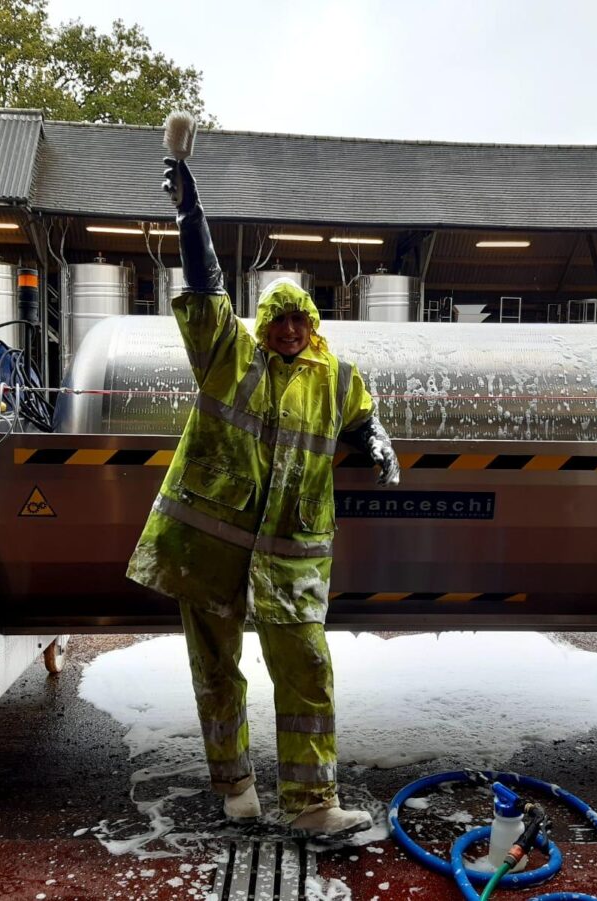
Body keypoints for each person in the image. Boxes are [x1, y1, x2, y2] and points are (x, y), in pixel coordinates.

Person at [126, 151, 400, 836]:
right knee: (217, 669)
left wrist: (375, 439)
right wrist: (190, 216)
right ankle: (236, 785)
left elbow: (361, 415)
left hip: (291, 557)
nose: (288, 330)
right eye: (277, 318)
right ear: (262, 323)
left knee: (307, 667)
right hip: (208, 549)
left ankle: (312, 804)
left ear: (313, 324)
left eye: (298, 320)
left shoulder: (337, 378)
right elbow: (207, 287)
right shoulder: (229, 355)